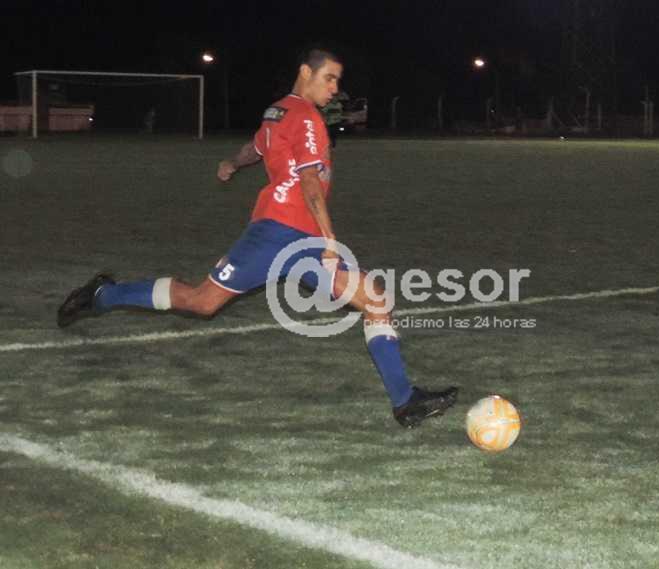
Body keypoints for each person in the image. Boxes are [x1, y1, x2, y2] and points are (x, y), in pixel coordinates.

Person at [57, 48, 457, 428]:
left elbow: (257, 146)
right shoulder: (306, 117)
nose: (335, 88)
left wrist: (233, 162)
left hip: (284, 235)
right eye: (329, 78)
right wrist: (330, 240)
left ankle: (405, 401)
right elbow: (310, 182)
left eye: (338, 80)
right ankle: (103, 295)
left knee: (368, 299)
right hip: (286, 234)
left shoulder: (278, 110)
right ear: (306, 72)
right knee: (204, 302)